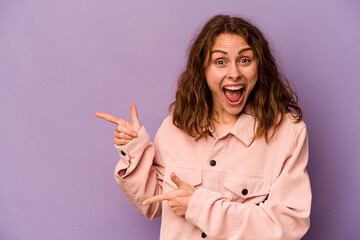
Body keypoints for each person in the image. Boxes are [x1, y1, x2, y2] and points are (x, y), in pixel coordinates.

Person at [95, 15, 311, 240]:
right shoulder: (175, 127)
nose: (234, 73)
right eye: (220, 62)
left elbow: (288, 226)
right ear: (203, 69)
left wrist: (199, 206)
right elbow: (151, 203)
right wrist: (135, 149)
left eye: (245, 60)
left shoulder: (288, 132)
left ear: (260, 67)